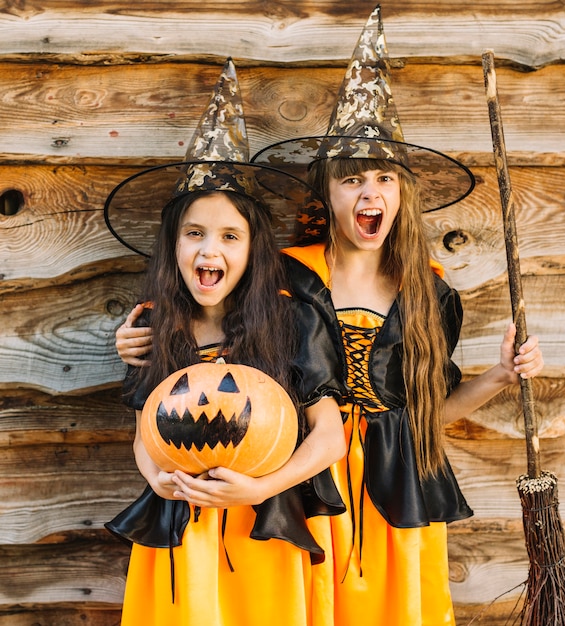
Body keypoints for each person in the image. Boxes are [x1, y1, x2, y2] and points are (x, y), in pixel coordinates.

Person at [116, 8, 544, 625]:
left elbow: (426, 413)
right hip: (296, 471)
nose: (369, 193)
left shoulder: (429, 293)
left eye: (383, 180)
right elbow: (204, 313)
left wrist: (498, 379)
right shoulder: (285, 274)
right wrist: (138, 337)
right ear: (326, 194)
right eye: (351, 180)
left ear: (402, 194)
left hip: (389, 477)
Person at [104, 58, 345, 626]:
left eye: (229, 236)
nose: (209, 252)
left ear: (252, 251)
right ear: (174, 246)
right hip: (180, 527)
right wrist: (153, 475)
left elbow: (330, 436)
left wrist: (259, 486)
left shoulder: (292, 323)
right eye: (195, 234)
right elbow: (145, 428)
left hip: (263, 525)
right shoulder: (153, 325)